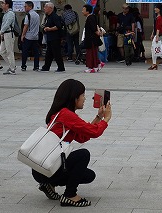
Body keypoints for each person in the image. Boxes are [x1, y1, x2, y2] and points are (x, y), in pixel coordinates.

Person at [31, 79, 112, 207]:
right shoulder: (67, 115)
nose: (85, 98)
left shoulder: (61, 112)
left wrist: (99, 117)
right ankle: (70, 195)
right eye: (83, 95)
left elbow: (83, 137)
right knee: (83, 155)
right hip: (48, 167)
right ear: (74, 98)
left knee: (88, 175)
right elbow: (94, 132)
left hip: (42, 167)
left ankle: (49, 184)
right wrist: (106, 119)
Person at [40, 2, 65, 72]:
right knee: (49, 53)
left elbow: (58, 26)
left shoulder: (55, 16)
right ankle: (46, 67)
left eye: (45, 7)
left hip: (55, 38)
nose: (44, 8)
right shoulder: (48, 16)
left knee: (56, 53)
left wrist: (49, 29)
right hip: (50, 37)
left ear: (50, 8)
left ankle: (61, 67)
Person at [82, 4, 104, 73]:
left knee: (91, 53)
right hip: (91, 39)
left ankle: (93, 67)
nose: (82, 11)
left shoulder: (90, 18)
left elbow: (93, 28)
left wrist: (98, 33)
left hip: (91, 39)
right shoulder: (91, 17)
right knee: (92, 53)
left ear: (88, 11)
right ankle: (96, 65)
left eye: (83, 10)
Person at [20, 1, 40, 72]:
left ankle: (23, 66)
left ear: (30, 7)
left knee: (25, 51)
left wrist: (23, 35)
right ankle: (36, 66)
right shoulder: (37, 15)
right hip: (35, 36)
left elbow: (26, 26)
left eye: (25, 6)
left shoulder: (28, 15)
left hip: (28, 36)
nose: (24, 8)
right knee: (36, 52)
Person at [0, 0, 16, 75]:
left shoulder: (10, 13)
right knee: (1, 51)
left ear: (7, 5)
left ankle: (12, 68)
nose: (1, 4)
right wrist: (2, 32)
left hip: (9, 33)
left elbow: (7, 24)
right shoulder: (6, 14)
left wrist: (1, 31)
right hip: (4, 34)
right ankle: (12, 65)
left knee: (9, 51)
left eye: (3, 3)